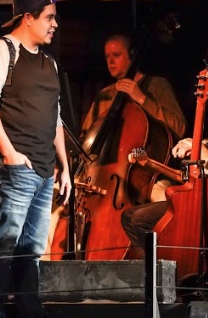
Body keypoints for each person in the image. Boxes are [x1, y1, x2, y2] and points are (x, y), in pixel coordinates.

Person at [0, 0, 74, 318]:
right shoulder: (1, 50)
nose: (55, 25)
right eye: (48, 18)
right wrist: (11, 153)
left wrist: (64, 166)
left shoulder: (49, 63)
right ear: (27, 18)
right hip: (11, 165)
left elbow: (56, 117)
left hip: (44, 169)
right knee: (3, 242)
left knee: (31, 249)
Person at [120, 42, 208, 259]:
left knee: (136, 220)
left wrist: (199, 149)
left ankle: (166, 271)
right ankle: (167, 269)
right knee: (134, 215)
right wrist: (191, 144)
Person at [79, 32, 188, 202]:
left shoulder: (157, 85)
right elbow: (86, 139)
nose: (111, 62)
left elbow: (179, 127)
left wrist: (142, 99)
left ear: (132, 55)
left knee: (168, 203)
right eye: (107, 56)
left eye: (116, 55)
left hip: (149, 178)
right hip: (105, 178)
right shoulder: (104, 95)